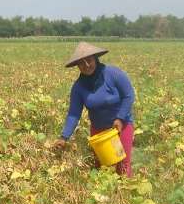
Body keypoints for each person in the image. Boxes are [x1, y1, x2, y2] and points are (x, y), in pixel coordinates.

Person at [53, 42, 135, 177]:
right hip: (99, 132)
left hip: (121, 127)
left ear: (96, 59)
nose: (86, 65)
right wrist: (64, 137)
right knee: (101, 167)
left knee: (122, 165)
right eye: (81, 63)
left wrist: (120, 118)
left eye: (89, 60)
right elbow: (74, 114)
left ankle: (124, 196)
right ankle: (105, 196)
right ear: (77, 66)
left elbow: (128, 95)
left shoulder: (113, 74)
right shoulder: (78, 87)